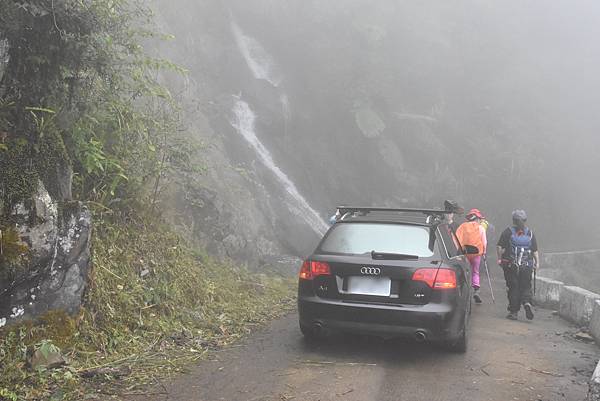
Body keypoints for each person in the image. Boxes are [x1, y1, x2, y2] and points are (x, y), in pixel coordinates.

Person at [496, 209, 539, 320]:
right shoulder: (530, 233)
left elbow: (500, 247)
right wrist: (537, 263)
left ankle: (514, 312)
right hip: (527, 265)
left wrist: (500, 259)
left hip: (511, 265)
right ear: (525, 220)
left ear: (513, 220)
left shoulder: (508, 232)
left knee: (513, 287)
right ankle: (526, 302)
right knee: (525, 285)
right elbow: (535, 250)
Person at [456, 208, 487, 303]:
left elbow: (457, 239)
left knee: (465, 271)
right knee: (475, 272)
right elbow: (484, 241)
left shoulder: (462, 226)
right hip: (477, 254)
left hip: (465, 253)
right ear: (476, 218)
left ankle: (464, 290)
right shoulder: (480, 228)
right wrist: (484, 252)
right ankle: (476, 290)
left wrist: (457, 252)